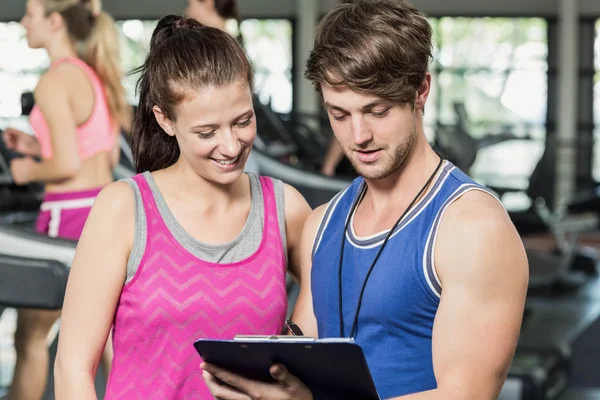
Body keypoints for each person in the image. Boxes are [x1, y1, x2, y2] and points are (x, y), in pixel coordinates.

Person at [200, 0, 529, 399]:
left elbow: (465, 395)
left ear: (421, 90)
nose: (358, 137)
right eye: (339, 114)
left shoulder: (472, 229)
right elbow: (305, 349)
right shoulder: (323, 224)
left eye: (377, 110)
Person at [53, 14, 311, 399]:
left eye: (243, 121)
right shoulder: (124, 209)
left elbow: (334, 316)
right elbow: (72, 368)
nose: (230, 146)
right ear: (165, 120)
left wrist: (298, 351)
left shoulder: (284, 207)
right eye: (207, 132)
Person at [2, 0, 130, 398]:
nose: (23, 22)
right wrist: (39, 147)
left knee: (29, 337)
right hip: (103, 208)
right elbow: (99, 155)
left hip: (67, 214)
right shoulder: (92, 74)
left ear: (55, 22)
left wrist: (27, 169)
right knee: (106, 338)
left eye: (31, 14)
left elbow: (68, 163)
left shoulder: (54, 81)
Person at [186, 0, 260, 175]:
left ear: (209, 2)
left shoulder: (219, 48)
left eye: (190, 3)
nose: (187, 10)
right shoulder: (231, 40)